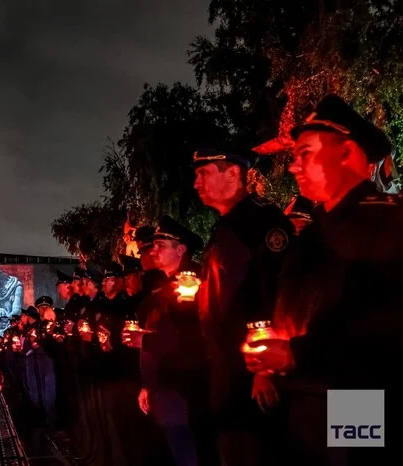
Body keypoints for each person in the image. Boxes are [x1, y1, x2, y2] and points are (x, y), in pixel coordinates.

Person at [246, 95, 403, 466]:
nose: (292, 167)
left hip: (358, 396)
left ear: (347, 153)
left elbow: (385, 325)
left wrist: (296, 353)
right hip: (302, 399)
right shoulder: (318, 230)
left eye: (305, 154)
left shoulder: (384, 223)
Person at [193, 148, 294, 466]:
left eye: (204, 173)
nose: (196, 183)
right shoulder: (227, 226)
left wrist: (263, 369)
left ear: (233, 173)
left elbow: (274, 292)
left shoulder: (261, 221)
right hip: (228, 369)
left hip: (251, 374)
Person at [136, 216, 213, 466]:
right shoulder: (162, 286)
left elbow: (192, 334)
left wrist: (146, 340)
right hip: (164, 387)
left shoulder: (193, 282)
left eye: (162, 245)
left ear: (181, 250)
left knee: (193, 453)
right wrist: (148, 384)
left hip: (186, 388)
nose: (153, 250)